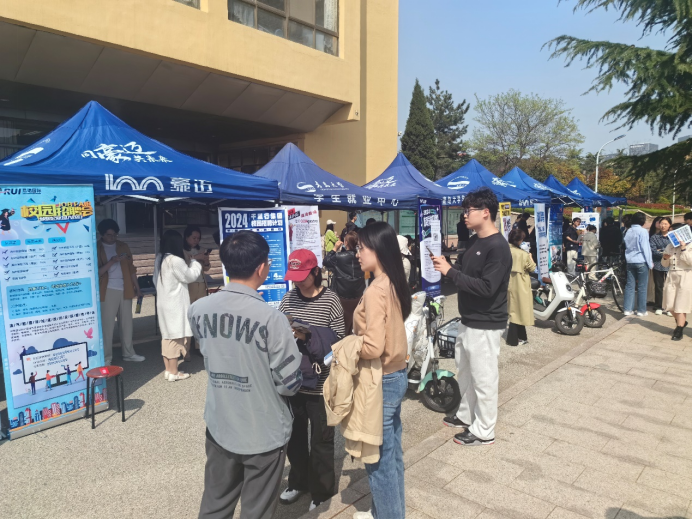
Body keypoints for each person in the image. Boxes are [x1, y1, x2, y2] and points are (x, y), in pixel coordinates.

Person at [191, 231, 303, 519]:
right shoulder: (272, 319)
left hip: (220, 424)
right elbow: (289, 382)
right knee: (257, 511)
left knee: (215, 504)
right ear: (261, 267)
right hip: (263, 430)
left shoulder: (198, 309)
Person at [431, 188, 512, 448]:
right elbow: (464, 274)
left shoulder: (498, 247)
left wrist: (450, 273)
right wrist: (447, 267)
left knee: (484, 378)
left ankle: (484, 430)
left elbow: (487, 287)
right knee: (465, 372)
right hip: (467, 319)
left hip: (486, 322)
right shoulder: (475, 241)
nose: (464, 215)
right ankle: (466, 415)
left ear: (485, 212)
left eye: (469, 211)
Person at [352, 221, 410, 520]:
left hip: (381, 379)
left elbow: (373, 346)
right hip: (397, 373)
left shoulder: (376, 289)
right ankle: (386, 512)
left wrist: (348, 348)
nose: (357, 254)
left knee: (378, 461)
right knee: (392, 456)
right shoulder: (392, 281)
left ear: (378, 249)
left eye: (361, 248)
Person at [279, 250, 344, 512]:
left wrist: (309, 336)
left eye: (302, 276)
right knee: (294, 437)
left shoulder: (330, 300)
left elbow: (340, 341)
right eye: (293, 277)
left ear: (316, 271)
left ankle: (321, 491)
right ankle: (298, 482)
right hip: (293, 381)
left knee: (321, 440)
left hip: (321, 385)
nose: (297, 282)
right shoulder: (288, 298)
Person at [154, 229, 203, 382]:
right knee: (176, 338)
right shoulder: (175, 260)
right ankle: (174, 372)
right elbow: (190, 276)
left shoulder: (162, 258)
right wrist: (195, 262)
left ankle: (169, 370)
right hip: (174, 304)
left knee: (167, 337)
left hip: (165, 302)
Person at [96, 219, 145, 365]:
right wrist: (112, 261)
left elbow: (131, 268)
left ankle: (129, 353)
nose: (112, 238)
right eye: (109, 235)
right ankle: (106, 358)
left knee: (126, 324)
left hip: (125, 287)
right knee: (107, 325)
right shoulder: (97, 247)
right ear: (101, 234)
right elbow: (97, 272)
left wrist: (137, 288)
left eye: (115, 235)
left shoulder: (123, 246)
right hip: (107, 289)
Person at [323, 231, 365, 334]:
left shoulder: (339, 257)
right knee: (353, 319)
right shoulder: (361, 256)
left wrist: (334, 249)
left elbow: (326, 261)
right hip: (358, 292)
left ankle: (343, 339)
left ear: (345, 242)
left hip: (342, 292)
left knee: (342, 321)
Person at [183, 225, 211, 358]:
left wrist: (206, 261)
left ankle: (200, 346)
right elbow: (183, 267)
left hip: (201, 283)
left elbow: (206, 269)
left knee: (201, 316)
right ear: (186, 237)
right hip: (188, 285)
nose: (196, 240)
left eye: (198, 238)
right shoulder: (182, 251)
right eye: (193, 238)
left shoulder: (202, 249)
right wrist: (194, 257)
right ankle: (185, 348)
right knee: (187, 316)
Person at [662, 223, 692, 341]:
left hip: (686, 275)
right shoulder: (670, 246)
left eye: (673, 233)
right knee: (669, 304)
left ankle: (679, 330)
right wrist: (665, 258)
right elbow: (664, 264)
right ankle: (682, 322)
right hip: (672, 275)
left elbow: (690, 262)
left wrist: (683, 248)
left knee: (681, 304)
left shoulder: (690, 246)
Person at [506, 228, 536, 347]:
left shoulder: (505, 250)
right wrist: (530, 257)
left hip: (508, 282)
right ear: (519, 240)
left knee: (513, 308)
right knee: (521, 309)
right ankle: (513, 339)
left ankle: (520, 337)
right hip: (521, 283)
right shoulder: (523, 254)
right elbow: (532, 267)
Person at [623, 212, 653, 316]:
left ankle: (627, 309)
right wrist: (650, 263)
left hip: (630, 261)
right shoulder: (643, 231)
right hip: (641, 261)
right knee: (642, 287)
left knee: (630, 286)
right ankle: (641, 310)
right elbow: (646, 248)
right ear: (643, 221)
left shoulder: (628, 231)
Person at [651, 217, 672, 316]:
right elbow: (653, 251)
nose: (663, 226)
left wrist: (662, 251)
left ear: (669, 225)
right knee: (659, 286)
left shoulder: (673, 237)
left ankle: (669, 307)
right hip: (658, 264)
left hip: (670, 264)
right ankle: (658, 306)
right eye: (661, 223)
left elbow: (674, 250)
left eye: (665, 224)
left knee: (670, 286)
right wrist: (665, 253)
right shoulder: (654, 237)